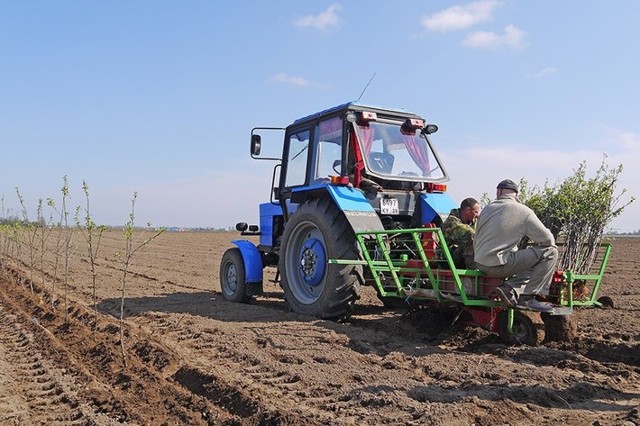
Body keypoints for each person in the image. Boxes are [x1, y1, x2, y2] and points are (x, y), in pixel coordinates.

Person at [473, 179, 558, 312]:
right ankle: (527, 298)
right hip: (498, 265)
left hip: (480, 263)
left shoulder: (487, 209)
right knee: (551, 252)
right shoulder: (523, 211)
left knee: (522, 257)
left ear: (498, 192)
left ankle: (510, 288)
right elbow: (547, 239)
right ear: (516, 194)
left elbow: (476, 239)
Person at [441, 197, 480, 269]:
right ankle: (473, 272)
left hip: (459, 256)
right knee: (470, 244)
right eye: (476, 212)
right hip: (446, 256)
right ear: (468, 210)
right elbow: (469, 234)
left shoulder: (472, 222)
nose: (477, 215)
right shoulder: (452, 221)